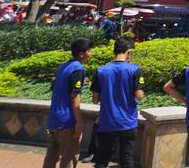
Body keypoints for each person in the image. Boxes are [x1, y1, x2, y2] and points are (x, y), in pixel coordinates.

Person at [91, 37, 145, 168]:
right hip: (127, 123)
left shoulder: (100, 70)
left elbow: (95, 99)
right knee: (127, 159)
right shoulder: (134, 70)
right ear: (128, 51)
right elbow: (139, 96)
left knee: (102, 158)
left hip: (106, 122)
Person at [43, 38, 92, 168]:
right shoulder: (78, 69)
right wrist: (79, 122)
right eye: (89, 51)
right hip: (67, 121)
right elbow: (75, 96)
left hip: (54, 119)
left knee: (51, 158)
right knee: (69, 159)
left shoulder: (63, 67)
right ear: (81, 54)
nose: (90, 54)